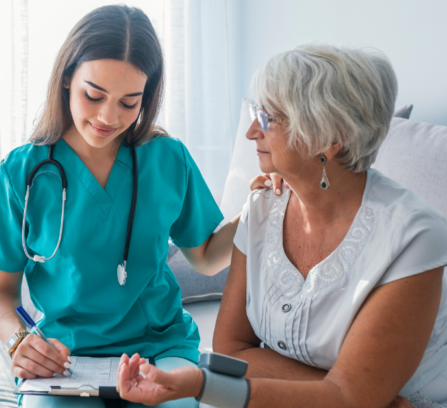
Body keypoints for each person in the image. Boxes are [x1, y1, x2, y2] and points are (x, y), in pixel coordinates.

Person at [117, 44, 447, 408]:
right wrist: (352, 392)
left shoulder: (414, 237)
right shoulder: (261, 208)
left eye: (268, 118)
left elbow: (349, 399)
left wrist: (202, 385)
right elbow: (233, 350)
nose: (250, 134)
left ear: (329, 137)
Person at [0, 5, 239, 407]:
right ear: (66, 79)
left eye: (129, 103)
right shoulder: (20, 174)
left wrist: (259, 208)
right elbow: (0, 293)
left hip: (159, 347)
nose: (108, 117)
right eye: (93, 95)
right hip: (67, 357)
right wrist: (17, 341)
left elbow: (205, 257)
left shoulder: (166, 159)